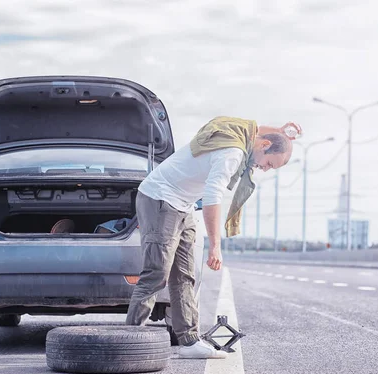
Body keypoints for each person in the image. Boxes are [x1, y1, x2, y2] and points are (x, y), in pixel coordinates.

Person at [125, 116, 301, 359]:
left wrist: (279, 131)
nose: (265, 169)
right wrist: (215, 246)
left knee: (185, 276)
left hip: (183, 204)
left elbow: (257, 128)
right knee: (156, 273)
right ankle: (129, 341)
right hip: (160, 197)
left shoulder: (247, 136)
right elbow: (212, 197)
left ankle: (188, 342)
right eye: (270, 164)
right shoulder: (233, 153)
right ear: (264, 146)